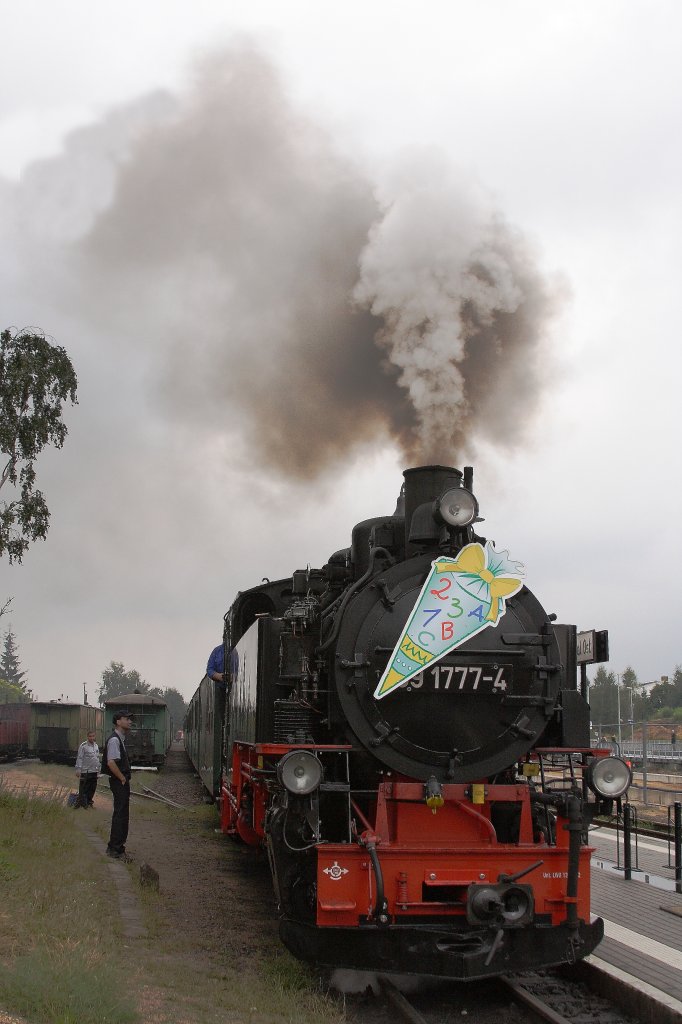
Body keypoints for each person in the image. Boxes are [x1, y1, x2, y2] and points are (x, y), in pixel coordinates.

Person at [102, 710, 133, 860]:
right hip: (119, 781)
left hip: (120, 781)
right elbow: (111, 762)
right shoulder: (115, 740)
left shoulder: (120, 739)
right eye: (126, 719)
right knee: (120, 815)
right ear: (118, 722)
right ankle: (115, 848)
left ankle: (118, 847)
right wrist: (122, 778)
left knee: (122, 814)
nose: (129, 721)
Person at [74, 729, 100, 808]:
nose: (91, 738)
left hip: (94, 771)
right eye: (90, 736)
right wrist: (78, 769)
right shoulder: (83, 746)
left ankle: (89, 802)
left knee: (92, 788)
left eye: (93, 736)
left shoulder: (96, 746)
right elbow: (80, 758)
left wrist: (98, 770)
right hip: (85, 771)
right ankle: (81, 803)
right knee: (84, 788)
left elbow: (97, 758)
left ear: (95, 737)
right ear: (87, 737)